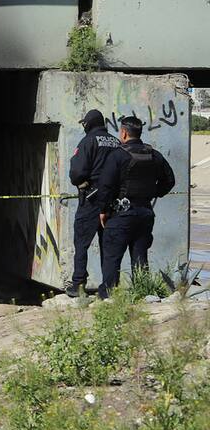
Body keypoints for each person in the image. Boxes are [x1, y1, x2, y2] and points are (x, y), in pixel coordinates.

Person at [96, 115, 176, 298]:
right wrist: (153, 193)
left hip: (121, 215)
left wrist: (103, 210)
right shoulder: (154, 154)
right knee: (140, 258)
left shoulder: (117, 155)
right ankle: (142, 294)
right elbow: (169, 180)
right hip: (145, 213)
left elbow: (105, 186)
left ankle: (108, 297)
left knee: (112, 258)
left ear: (124, 133)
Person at [65, 109, 120, 297]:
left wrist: (81, 183)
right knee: (109, 245)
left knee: (81, 243)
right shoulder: (116, 142)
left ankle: (79, 284)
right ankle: (110, 287)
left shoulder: (87, 141)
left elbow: (77, 172)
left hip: (91, 200)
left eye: (84, 123)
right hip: (113, 201)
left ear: (89, 124)